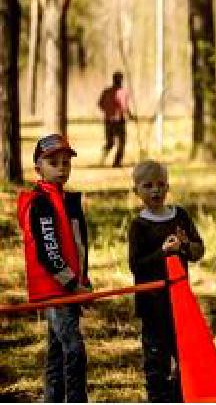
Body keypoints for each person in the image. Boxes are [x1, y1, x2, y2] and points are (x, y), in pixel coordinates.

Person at [17, 134, 91, 402]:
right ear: (38, 168)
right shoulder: (41, 204)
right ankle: (75, 400)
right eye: (53, 163)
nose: (61, 168)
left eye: (66, 163)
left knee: (57, 350)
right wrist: (73, 284)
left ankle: (52, 398)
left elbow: (78, 246)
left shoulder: (68, 201)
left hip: (70, 286)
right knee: (74, 350)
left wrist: (85, 279)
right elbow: (49, 252)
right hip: (55, 289)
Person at [128, 160, 205, 402]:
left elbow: (198, 250)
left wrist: (184, 246)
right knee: (156, 362)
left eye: (161, 185)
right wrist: (163, 252)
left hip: (180, 303)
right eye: (148, 185)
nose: (155, 191)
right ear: (136, 191)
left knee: (186, 358)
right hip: (152, 306)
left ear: (168, 187)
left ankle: (182, 397)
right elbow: (136, 265)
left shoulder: (179, 216)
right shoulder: (139, 226)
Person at [97, 71, 132, 167]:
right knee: (121, 142)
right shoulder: (123, 92)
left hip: (108, 121)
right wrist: (130, 115)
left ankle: (102, 159)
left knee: (110, 143)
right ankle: (116, 163)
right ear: (120, 80)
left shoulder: (106, 91)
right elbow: (124, 107)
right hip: (118, 121)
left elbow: (100, 104)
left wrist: (107, 111)